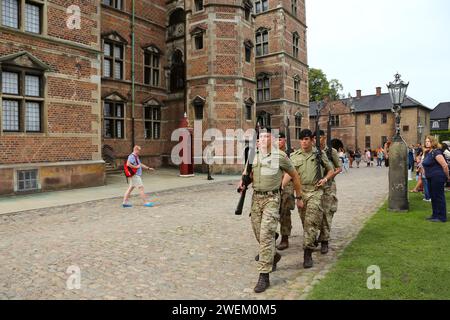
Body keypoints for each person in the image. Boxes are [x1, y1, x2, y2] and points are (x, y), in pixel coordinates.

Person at [238, 127, 302, 293]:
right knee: (258, 232)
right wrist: (243, 183)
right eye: (261, 137)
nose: (263, 139)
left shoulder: (280, 156)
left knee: (266, 235)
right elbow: (248, 175)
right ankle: (273, 255)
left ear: (272, 140)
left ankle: (263, 274)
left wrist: (299, 196)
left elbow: (294, 175)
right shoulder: (253, 156)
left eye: (267, 136)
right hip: (256, 199)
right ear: (258, 141)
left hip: (272, 199)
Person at [283, 129, 334, 269]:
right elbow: (290, 174)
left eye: (306, 139)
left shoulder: (319, 154)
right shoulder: (294, 156)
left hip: (315, 191)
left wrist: (325, 179)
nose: (304, 142)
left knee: (311, 222)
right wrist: (281, 186)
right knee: (306, 222)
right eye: (302, 139)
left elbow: (331, 170)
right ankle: (311, 241)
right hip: (300, 192)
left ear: (312, 140)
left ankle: (307, 253)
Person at [315, 130, 342, 254]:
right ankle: (314, 236)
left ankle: (324, 240)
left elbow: (339, 168)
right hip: (315, 187)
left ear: (324, 138)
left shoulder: (332, 152)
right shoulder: (312, 151)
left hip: (328, 186)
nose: (317, 140)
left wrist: (328, 177)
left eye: (319, 137)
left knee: (327, 214)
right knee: (315, 213)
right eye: (315, 137)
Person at [422, 136, 450, 222]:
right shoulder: (428, 152)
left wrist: (448, 176)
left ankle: (442, 217)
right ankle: (435, 215)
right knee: (433, 197)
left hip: (437, 177)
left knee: (439, 196)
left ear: (433, 142)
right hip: (430, 178)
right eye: (426, 141)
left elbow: (444, 165)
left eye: (429, 141)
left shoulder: (436, 152)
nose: (427, 143)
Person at [276, 132, 295, 251]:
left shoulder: (291, 154)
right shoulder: (272, 154)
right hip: (274, 185)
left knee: (284, 211)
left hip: (287, 186)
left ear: (285, 140)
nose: (278, 142)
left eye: (280, 139)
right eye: (276, 140)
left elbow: (293, 171)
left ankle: (285, 237)